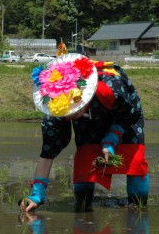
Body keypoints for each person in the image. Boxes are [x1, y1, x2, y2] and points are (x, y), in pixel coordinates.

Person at [20, 53, 149, 212]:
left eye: (73, 112)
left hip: (124, 117)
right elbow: (47, 153)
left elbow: (130, 116)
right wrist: (36, 194)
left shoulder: (111, 90)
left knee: (134, 162)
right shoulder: (56, 114)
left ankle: (137, 205)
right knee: (85, 160)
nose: (70, 117)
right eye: (67, 115)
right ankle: (83, 205)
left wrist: (110, 140)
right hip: (88, 121)